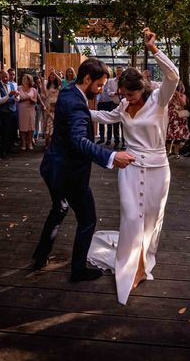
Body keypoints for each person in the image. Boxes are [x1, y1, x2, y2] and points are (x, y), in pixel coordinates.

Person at [87, 28, 179, 305]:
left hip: (158, 169)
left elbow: (173, 76)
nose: (127, 97)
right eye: (123, 93)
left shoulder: (158, 100)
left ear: (142, 88)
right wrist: (78, 109)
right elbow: (105, 115)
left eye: (131, 93)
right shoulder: (124, 105)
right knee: (130, 216)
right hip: (129, 168)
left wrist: (154, 48)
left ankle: (142, 262)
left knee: (151, 220)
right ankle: (129, 265)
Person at [32, 58, 136, 283]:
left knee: (59, 209)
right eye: (98, 85)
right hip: (70, 174)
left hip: (52, 168)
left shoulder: (68, 91)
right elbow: (80, 141)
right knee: (88, 219)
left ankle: (39, 257)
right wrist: (111, 156)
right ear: (87, 79)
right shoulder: (77, 105)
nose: (99, 91)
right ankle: (78, 271)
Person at [0, 69, 19, 158]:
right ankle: (3, 150)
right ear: (0, 77)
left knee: (12, 131)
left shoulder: (12, 84)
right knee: (4, 131)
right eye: (3, 76)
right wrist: (8, 95)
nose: (6, 78)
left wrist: (16, 97)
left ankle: (10, 147)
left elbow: (18, 98)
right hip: (4, 112)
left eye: (7, 76)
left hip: (13, 110)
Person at [166, 81, 189, 158]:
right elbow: (167, 105)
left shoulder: (183, 96)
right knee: (169, 136)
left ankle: (176, 152)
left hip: (179, 119)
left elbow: (184, 104)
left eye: (178, 88)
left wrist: (178, 96)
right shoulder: (169, 95)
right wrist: (172, 97)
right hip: (170, 118)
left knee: (178, 136)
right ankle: (168, 151)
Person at [40, 69, 61, 149]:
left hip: (56, 105)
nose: (52, 76)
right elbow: (44, 92)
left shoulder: (58, 85)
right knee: (46, 123)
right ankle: (47, 142)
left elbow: (60, 81)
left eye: (53, 75)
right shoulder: (47, 85)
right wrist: (42, 81)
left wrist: (55, 73)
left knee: (54, 123)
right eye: (51, 75)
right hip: (48, 105)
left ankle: (55, 143)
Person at [17, 73, 38, 150]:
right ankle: (23, 143)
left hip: (31, 109)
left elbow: (35, 101)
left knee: (31, 126)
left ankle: (29, 143)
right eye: (23, 78)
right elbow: (17, 99)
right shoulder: (18, 88)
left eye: (25, 79)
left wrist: (31, 99)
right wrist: (25, 98)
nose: (23, 80)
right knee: (22, 126)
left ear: (29, 81)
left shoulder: (34, 90)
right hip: (22, 109)